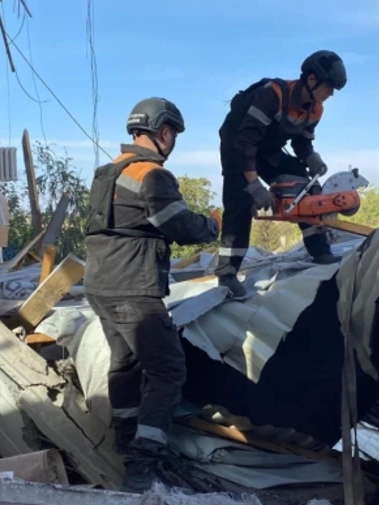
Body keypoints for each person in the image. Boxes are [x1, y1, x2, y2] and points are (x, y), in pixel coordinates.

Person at [83, 97, 220, 493]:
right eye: (173, 134)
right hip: (133, 288)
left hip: (100, 285)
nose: (172, 141)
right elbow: (180, 226)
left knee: (124, 365)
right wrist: (213, 225)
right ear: (164, 132)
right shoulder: (152, 174)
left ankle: (125, 435)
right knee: (168, 371)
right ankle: (143, 463)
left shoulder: (107, 172)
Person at [216, 50, 348, 298]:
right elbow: (246, 143)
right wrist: (254, 185)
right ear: (312, 79)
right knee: (239, 202)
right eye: (329, 86)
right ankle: (227, 274)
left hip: (268, 149)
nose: (331, 93)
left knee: (302, 184)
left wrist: (310, 156)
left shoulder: (316, 109)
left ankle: (320, 251)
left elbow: (302, 141)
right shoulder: (273, 95)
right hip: (237, 145)